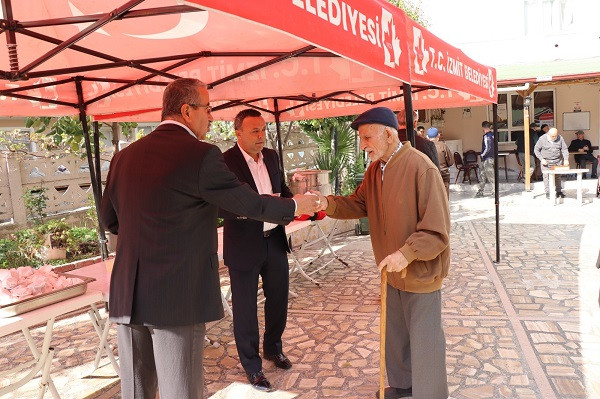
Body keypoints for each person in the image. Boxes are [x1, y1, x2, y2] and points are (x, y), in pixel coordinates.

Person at [100, 78, 319, 399]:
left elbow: (110, 220)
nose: (212, 117)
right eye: (208, 108)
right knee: (181, 392)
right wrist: (297, 204)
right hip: (176, 295)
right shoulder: (200, 154)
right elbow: (250, 203)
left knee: (136, 393)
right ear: (187, 111)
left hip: (126, 295)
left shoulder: (124, 156)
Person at [314, 107, 450, 399]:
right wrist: (325, 203)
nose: (363, 145)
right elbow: (359, 203)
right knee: (396, 338)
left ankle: (431, 394)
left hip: (420, 273)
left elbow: (437, 230)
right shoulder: (375, 170)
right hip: (391, 272)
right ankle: (403, 388)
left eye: (367, 137)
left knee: (425, 343)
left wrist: (406, 253)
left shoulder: (420, 167)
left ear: (388, 135)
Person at [220, 109, 294, 392]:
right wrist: (259, 204)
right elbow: (223, 203)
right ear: (237, 133)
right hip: (243, 244)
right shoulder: (225, 162)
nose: (262, 136)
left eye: (263, 130)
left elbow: (282, 191)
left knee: (278, 300)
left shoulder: (273, 157)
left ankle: (273, 349)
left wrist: (298, 202)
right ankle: (252, 367)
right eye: (254, 131)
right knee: (245, 309)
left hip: (273, 239)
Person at [534, 127, 569, 199]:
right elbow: (536, 150)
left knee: (558, 177)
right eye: (553, 136)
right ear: (548, 134)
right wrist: (541, 159)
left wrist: (566, 159)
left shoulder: (560, 138)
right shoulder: (542, 139)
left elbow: (564, 149)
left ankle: (558, 191)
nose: (555, 137)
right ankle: (548, 192)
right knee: (546, 177)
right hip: (546, 162)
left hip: (557, 161)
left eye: (556, 135)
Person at [427, 127, 454, 198]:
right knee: (445, 198)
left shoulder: (425, 146)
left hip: (431, 176)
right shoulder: (443, 146)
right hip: (444, 175)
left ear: (427, 137)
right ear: (438, 135)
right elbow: (450, 162)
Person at [475, 121, 494, 198]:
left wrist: (482, 155)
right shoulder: (493, 135)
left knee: (490, 175)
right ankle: (480, 191)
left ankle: (494, 191)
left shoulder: (487, 136)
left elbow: (487, 147)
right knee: (483, 175)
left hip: (487, 158)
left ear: (484, 128)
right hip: (490, 158)